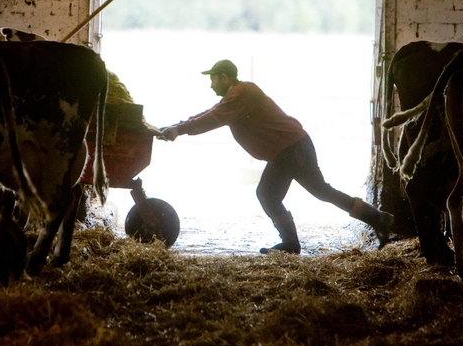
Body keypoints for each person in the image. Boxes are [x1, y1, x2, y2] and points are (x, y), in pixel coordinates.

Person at [158, 59, 393, 254]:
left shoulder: (241, 93)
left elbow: (213, 118)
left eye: (213, 79)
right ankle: (378, 218)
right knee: (322, 191)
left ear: (225, 78)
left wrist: (179, 130)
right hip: (296, 144)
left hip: (289, 149)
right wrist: (177, 127)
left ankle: (291, 244)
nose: (211, 85)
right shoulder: (236, 96)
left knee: (267, 194)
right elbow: (211, 113)